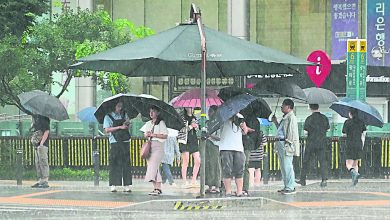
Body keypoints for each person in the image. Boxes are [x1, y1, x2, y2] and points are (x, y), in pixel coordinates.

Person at [296, 104, 330, 187]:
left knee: (306, 161)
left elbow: (305, 132)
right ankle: (324, 179)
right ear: (318, 107)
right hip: (321, 143)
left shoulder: (309, 119)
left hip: (311, 143)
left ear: (310, 108)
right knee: (322, 161)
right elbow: (328, 129)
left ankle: (302, 180)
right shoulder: (324, 118)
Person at [271, 99, 300, 195]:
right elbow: (281, 129)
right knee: (283, 166)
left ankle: (290, 186)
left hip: (285, 144)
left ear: (288, 107)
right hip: (281, 143)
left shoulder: (291, 117)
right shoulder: (285, 117)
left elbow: (291, 133)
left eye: (283, 105)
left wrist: (288, 143)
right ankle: (286, 185)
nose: (281, 107)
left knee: (287, 165)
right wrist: (275, 122)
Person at [103, 101, 132, 193]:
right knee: (114, 163)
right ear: (114, 106)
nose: (120, 108)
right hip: (114, 142)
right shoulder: (108, 116)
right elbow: (107, 129)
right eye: (118, 106)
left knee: (126, 163)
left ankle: (127, 185)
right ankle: (113, 184)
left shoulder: (125, 114)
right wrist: (120, 127)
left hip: (125, 141)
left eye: (121, 106)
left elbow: (128, 126)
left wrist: (127, 124)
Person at [140, 106, 168, 196]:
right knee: (154, 168)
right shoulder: (148, 123)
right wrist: (147, 134)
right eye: (150, 112)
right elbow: (145, 134)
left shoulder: (161, 123)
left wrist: (154, 134)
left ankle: (157, 187)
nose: (151, 113)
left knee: (153, 165)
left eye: (153, 112)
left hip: (158, 146)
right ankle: (157, 188)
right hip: (150, 146)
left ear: (158, 113)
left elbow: (165, 135)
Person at [219, 113, 246, 197]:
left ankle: (239, 191)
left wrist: (243, 126)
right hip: (225, 146)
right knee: (227, 170)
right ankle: (228, 191)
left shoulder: (240, 116)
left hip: (238, 147)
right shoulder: (223, 115)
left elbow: (244, 132)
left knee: (239, 170)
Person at [241, 118, 266, 196]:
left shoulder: (248, 133)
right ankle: (257, 183)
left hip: (251, 155)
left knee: (250, 170)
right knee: (258, 170)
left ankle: (251, 184)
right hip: (259, 155)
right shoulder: (261, 134)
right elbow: (264, 143)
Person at [342, 108, 366, 186]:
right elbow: (363, 133)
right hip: (358, 144)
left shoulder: (347, 122)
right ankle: (354, 181)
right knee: (355, 163)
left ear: (350, 113)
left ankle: (354, 173)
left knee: (348, 164)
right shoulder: (361, 122)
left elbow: (344, 134)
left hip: (350, 144)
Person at [178, 107, 201, 188]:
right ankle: (184, 181)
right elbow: (181, 130)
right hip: (185, 141)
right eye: (188, 107)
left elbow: (198, 130)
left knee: (198, 160)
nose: (190, 108)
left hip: (193, 141)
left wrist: (196, 127)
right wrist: (191, 126)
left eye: (191, 107)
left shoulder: (195, 118)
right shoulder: (182, 118)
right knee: (186, 161)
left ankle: (194, 180)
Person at [205, 105, 222, 194]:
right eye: (209, 111)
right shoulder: (207, 122)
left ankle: (217, 185)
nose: (209, 113)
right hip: (207, 145)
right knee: (208, 165)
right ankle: (210, 185)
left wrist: (210, 135)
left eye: (211, 111)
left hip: (215, 145)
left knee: (215, 165)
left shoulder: (218, 123)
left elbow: (219, 137)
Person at [31, 115, 50, 188]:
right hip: (37, 144)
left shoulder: (44, 118)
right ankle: (41, 180)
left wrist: (41, 143)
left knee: (43, 161)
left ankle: (45, 180)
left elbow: (47, 131)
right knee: (38, 162)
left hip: (43, 145)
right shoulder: (37, 118)